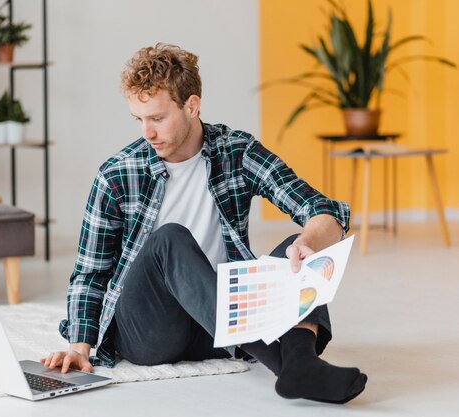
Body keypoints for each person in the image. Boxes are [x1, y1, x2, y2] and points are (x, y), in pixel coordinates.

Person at [44, 43, 367, 404]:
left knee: (300, 245)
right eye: (139, 119)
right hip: (152, 332)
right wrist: (79, 346)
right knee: (169, 239)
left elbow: (323, 210)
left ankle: (300, 364)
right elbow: (90, 274)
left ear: (192, 106)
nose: (147, 133)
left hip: (219, 325)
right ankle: (288, 364)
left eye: (158, 118)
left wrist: (309, 240)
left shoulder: (236, 151)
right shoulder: (117, 174)